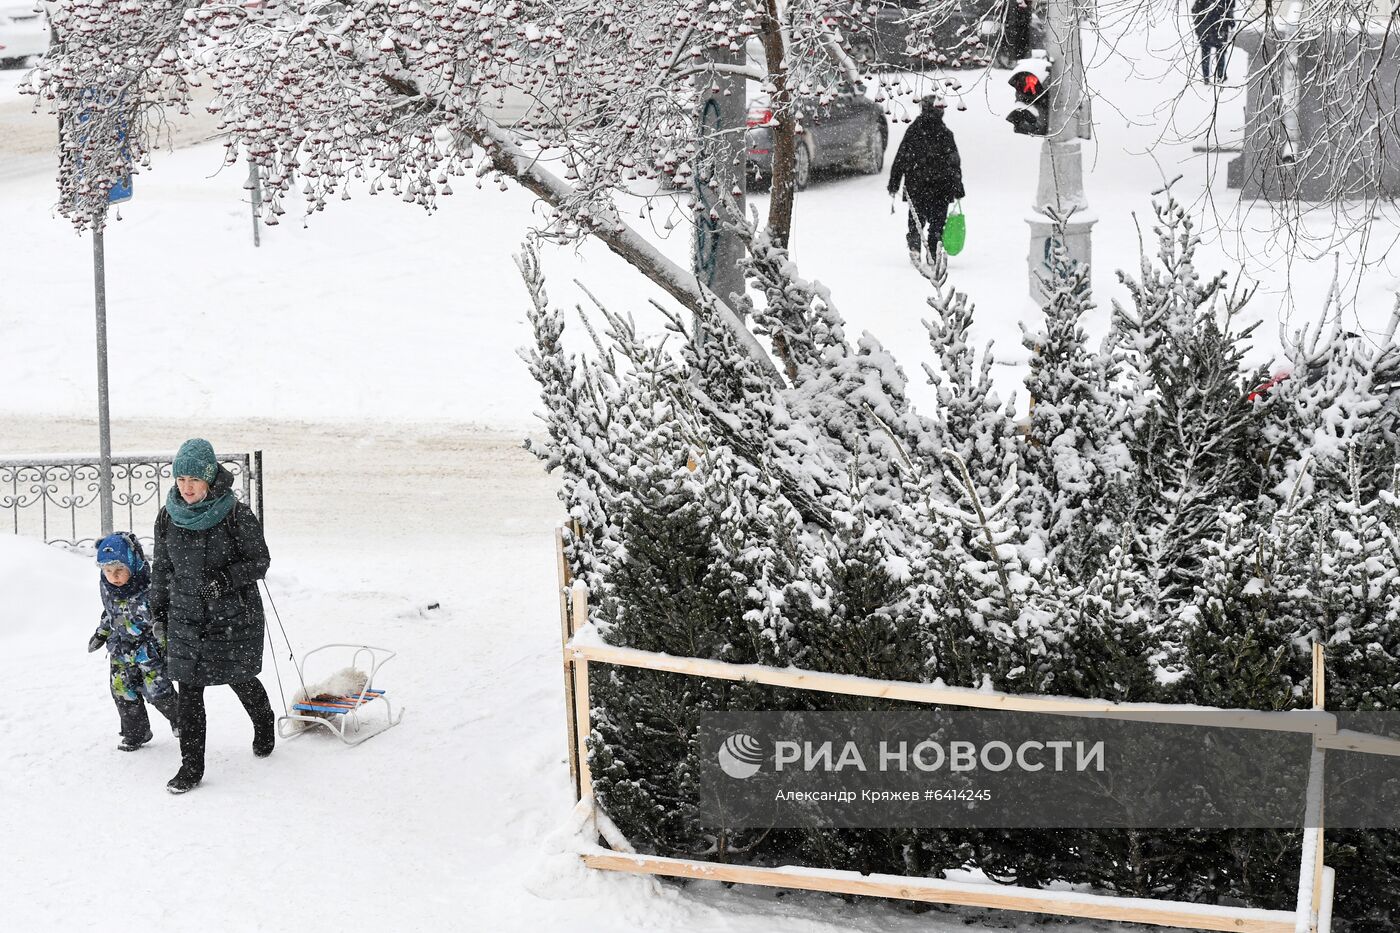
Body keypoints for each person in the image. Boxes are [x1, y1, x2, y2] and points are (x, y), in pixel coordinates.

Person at [152, 438, 275, 794]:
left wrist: (224, 580)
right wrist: (158, 609)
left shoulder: (235, 513)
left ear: (209, 480)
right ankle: (191, 768)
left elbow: (259, 561)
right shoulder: (168, 515)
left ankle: (264, 723)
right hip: (186, 616)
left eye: (194, 480)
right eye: (180, 480)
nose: (186, 488)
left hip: (231, 615)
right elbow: (161, 567)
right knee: (189, 691)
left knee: (241, 677)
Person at [89, 532, 179, 752]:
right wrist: (101, 633)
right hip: (120, 647)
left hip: (148, 649)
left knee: (158, 691)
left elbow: (165, 617)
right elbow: (110, 613)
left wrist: (169, 646)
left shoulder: (149, 588)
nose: (114, 576)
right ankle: (136, 733)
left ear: (132, 563)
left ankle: (182, 721)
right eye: (108, 571)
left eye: (119, 570)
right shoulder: (107, 587)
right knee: (121, 690)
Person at [887, 94, 965, 266]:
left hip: (917, 185)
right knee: (937, 224)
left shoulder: (913, 132)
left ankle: (915, 246)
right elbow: (954, 163)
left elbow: (901, 158)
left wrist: (894, 182)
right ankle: (933, 253)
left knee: (916, 220)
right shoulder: (945, 134)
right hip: (941, 187)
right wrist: (957, 186)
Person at [1192, 0, 1235, 85]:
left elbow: (1195, 11)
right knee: (1220, 53)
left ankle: (1207, 77)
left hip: (1205, 30)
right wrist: (1231, 22)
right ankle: (1220, 76)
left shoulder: (1200, 2)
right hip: (1219, 29)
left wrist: (1199, 26)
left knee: (1206, 54)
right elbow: (1229, 10)